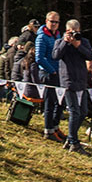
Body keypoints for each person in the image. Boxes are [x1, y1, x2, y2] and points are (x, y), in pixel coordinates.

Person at [53, 18, 92, 153]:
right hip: (68, 81)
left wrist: (78, 45)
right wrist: (66, 42)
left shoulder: (84, 42)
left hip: (81, 81)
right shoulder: (60, 42)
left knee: (83, 112)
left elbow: (89, 55)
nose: (74, 35)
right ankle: (74, 143)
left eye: (77, 32)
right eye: (72, 32)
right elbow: (56, 55)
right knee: (74, 112)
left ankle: (70, 138)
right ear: (67, 31)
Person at [35, 12, 66, 141]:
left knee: (61, 102)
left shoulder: (58, 35)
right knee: (50, 102)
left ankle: (55, 126)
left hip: (59, 72)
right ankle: (48, 130)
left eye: (56, 22)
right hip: (48, 73)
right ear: (46, 21)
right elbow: (39, 58)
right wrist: (52, 70)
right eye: (52, 21)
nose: (54, 24)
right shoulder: (41, 37)